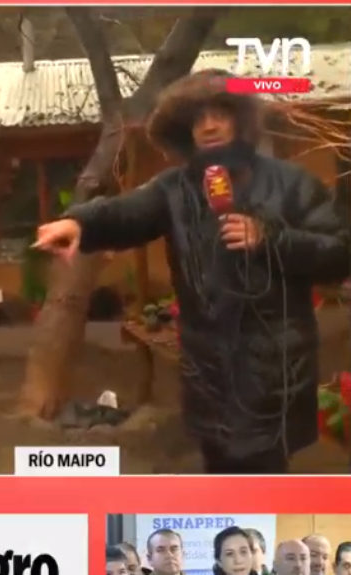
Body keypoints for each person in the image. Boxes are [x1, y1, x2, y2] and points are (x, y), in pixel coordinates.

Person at [33, 69, 351, 474]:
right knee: (220, 479)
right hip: (209, 377)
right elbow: (127, 212)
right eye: (197, 118)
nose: (209, 125)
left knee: (264, 482)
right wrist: (80, 223)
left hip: (275, 375)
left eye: (220, 112)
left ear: (240, 118)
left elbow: (339, 253)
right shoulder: (175, 190)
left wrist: (272, 239)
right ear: (185, 129)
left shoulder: (293, 185)